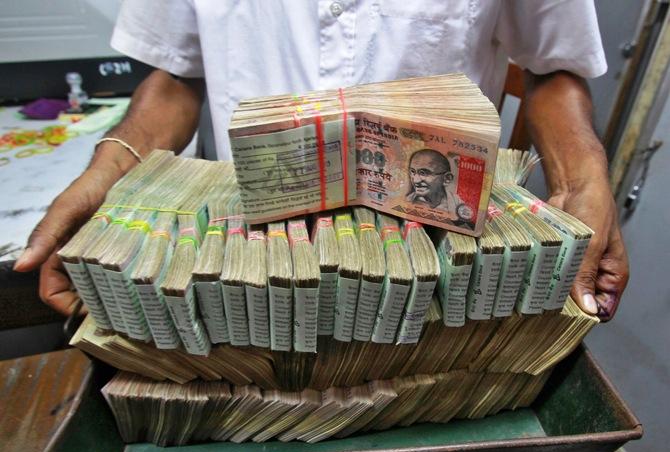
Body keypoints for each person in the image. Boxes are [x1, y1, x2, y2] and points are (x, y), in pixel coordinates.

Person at [13, 0, 628, 322]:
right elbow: (175, 70)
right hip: (247, 248)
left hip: (433, 263)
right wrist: (110, 170)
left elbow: (552, 66)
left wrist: (584, 178)